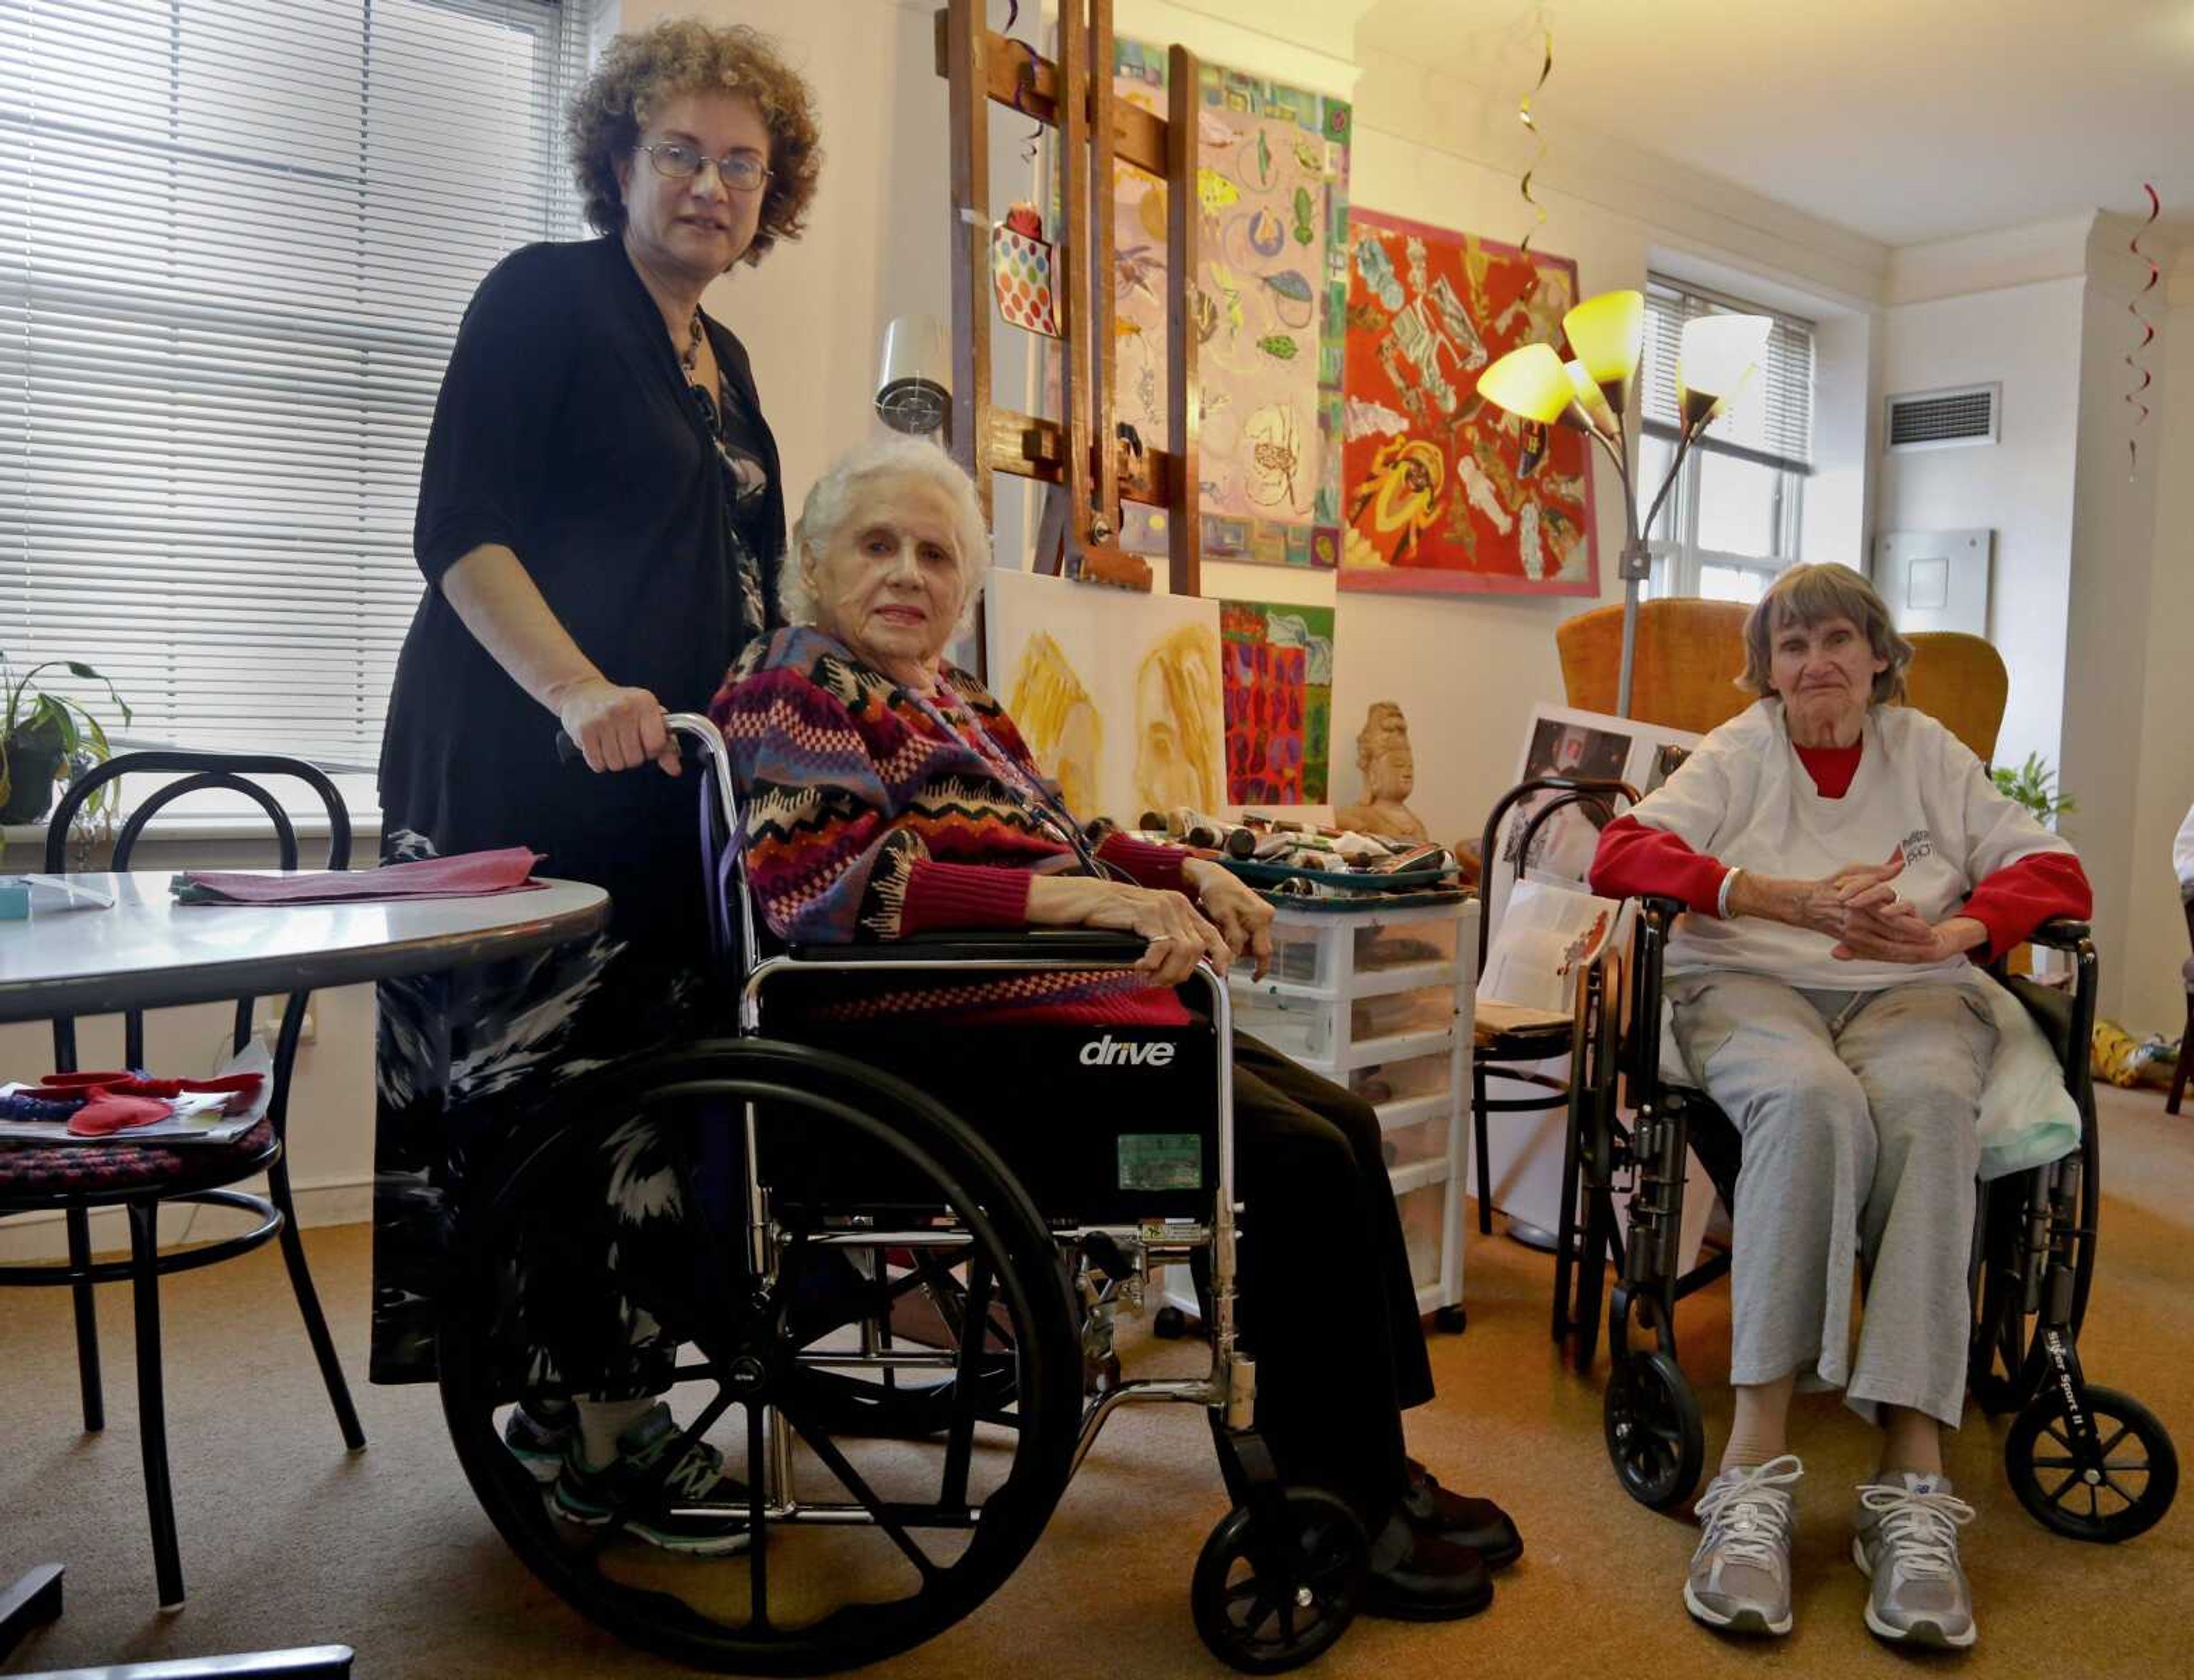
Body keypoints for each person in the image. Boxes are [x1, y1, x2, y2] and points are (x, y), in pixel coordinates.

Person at [711, 437, 1520, 1623]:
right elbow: (820, 886)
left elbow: (1063, 833)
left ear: (965, 585)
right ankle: (1341, 1493)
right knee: (1285, 1163)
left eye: (935, 554)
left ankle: (1366, 1460)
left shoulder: (958, 697)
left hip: (1051, 1010)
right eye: (875, 545)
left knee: (1339, 1122)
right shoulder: (799, 682)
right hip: (931, 1045)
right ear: (815, 563)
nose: (905, 573)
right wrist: (1087, 902)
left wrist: (1189, 864)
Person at [371, 18, 821, 1551]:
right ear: (619, 161)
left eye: (741, 164)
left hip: (663, 779)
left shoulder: (729, 356)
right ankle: (602, 1429)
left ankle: (588, 1402)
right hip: (517, 754)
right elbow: (462, 528)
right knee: (553, 1093)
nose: (709, 184)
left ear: (772, 194)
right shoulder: (543, 300)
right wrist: (578, 688)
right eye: (681, 151)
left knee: (650, 1080)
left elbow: (748, 574)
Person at [1589, 563, 2091, 1649]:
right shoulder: (1741, 749)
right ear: (1767, 671)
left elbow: (2052, 869)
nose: (1814, 663)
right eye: (1790, 646)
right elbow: (1622, 848)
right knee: (1811, 1103)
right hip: (1752, 978)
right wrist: (1766, 894)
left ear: (1877, 657)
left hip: (1912, 987)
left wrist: (1952, 933)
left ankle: (1909, 1486)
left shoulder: (1926, 753)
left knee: (1928, 1110)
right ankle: (1752, 1467)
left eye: (1834, 640)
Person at [1333, 701, 1431, 841]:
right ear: (1373, 774)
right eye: (1398, 765)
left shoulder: (1416, 823)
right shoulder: (1357, 816)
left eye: (1410, 766)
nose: (1407, 772)